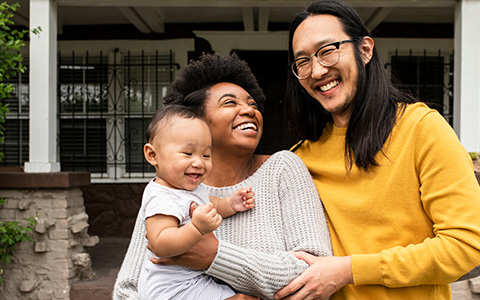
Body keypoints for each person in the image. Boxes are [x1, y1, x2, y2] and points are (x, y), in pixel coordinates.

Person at [274, 1, 480, 299]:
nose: (317, 70)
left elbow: (467, 245)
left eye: (327, 50)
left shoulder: (421, 129)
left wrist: (349, 270)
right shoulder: (299, 160)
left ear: (366, 50)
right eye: (302, 61)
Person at [113, 53, 333, 300]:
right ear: (197, 122)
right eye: (230, 103)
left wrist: (216, 256)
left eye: (252, 104)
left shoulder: (283, 169)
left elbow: (316, 273)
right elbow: (128, 290)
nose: (249, 110)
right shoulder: (168, 190)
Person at [138, 105, 256, 300]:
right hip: (171, 289)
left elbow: (211, 206)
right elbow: (159, 243)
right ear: (153, 155)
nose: (199, 163)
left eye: (206, 155)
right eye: (187, 153)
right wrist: (197, 228)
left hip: (193, 280)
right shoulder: (160, 196)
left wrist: (231, 204)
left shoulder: (190, 188)